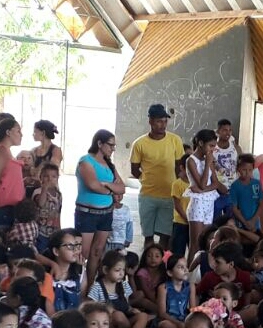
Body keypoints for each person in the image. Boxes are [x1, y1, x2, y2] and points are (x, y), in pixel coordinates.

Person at [130, 104, 185, 247]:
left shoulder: (175, 140)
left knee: (165, 237)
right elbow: (134, 169)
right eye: (159, 121)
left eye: (165, 121)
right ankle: (147, 259)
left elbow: (179, 167)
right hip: (147, 196)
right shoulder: (139, 144)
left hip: (169, 196)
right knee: (148, 237)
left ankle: (162, 260)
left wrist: (178, 188)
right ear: (150, 121)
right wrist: (146, 180)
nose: (163, 125)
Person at [76, 129, 125, 281]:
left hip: (106, 213)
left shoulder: (109, 165)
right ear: (99, 143)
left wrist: (106, 184)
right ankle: (78, 284)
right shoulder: (86, 161)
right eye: (110, 145)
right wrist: (111, 189)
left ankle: (91, 284)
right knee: (82, 252)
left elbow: (122, 187)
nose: (113, 149)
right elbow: (93, 185)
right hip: (87, 212)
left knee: (97, 252)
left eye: (114, 146)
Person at [211, 119, 238, 219]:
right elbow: (209, 169)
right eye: (224, 130)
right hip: (216, 191)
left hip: (232, 191)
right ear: (218, 131)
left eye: (230, 130)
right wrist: (218, 185)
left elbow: (240, 167)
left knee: (231, 222)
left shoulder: (235, 148)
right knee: (215, 221)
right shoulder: (212, 149)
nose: (228, 133)